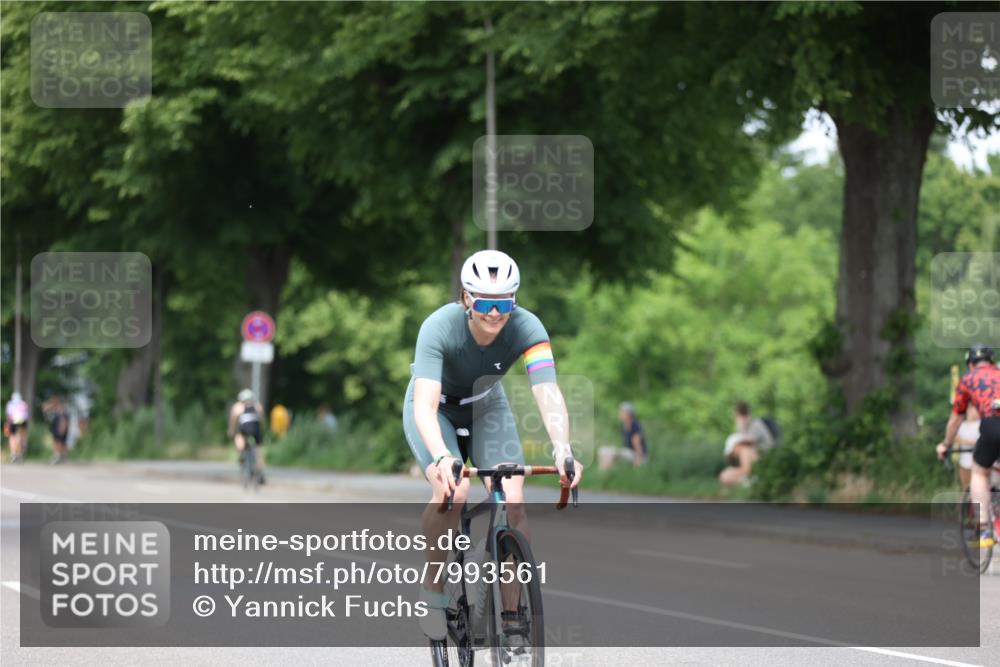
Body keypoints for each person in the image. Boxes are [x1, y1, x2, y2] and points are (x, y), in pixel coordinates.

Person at [402, 249, 583, 641]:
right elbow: (426, 405)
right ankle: (432, 592)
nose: (494, 313)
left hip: (487, 405)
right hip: (437, 411)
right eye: (484, 302)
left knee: (513, 500)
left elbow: (547, 391)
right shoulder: (439, 327)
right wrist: (444, 456)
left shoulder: (529, 328)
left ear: (514, 300)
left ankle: (514, 614)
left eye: (504, 303)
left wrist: (562, 448)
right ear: (467, 298)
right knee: (454, 487)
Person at [936, 344, 1000, 548]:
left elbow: (956, 419)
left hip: (993, 424)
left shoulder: (968, 380)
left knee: (979, 473)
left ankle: (984, 530)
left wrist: (946, 444)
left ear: (971, 363)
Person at [719, 401, 775, 488]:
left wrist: (736, 444)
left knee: (744, 450)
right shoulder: (743, 426)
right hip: (754, 454)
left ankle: (749, 478)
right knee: (725, 476)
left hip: (765, 454)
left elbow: (749, 441)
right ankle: (745, 479)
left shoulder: (756, 424)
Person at [228, 389, 266, 483]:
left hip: (244, 429)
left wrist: (231, 431)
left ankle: (242, 458)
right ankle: (259, 471)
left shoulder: (238, 406)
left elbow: (233, 420)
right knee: (258, 451)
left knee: (239, 440)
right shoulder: (258, 406)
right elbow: (261, 420)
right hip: (256, 429)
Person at [598, 402, 647, 470]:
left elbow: (637, 442)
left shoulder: (634, 426)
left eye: (622, 412)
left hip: (636, 454)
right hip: (629, 452)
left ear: (628, 414)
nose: (620, 414)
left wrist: (639, 459)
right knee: (604, 451)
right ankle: (608, 473)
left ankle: (606, 474)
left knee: (606, 452)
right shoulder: (624, 425)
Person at [42, 396, 69, 464]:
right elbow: (44, 408)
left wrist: (63, 428)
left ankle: (59, 456)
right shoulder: (55, 409)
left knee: (59, 442)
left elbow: (63, 420)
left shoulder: (60, 409)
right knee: (58, 442)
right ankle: (60, 456)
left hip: (59, 428)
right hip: (56, 428)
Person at [4, 391, 30, 463]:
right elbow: (26, 416)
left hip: (13, 421)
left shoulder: (10, 404)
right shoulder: (23, 404)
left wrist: (7, 424)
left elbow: (8, 415)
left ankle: (14, 454)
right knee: (20, 437)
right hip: (22, 421)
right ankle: (18, 454)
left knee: (12, 438)